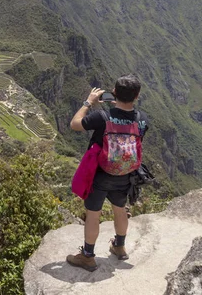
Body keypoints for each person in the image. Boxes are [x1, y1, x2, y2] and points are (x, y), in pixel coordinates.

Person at [66, 74, 149, 271]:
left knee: (93, 214)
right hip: (125, 174)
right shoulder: (142, 120)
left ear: (114, 92)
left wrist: (89, 102)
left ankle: (87, 256)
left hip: (100, 174)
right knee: (119, 209)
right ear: (137, 96)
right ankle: (119, 247)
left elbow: (75, 124)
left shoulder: (102, 117)